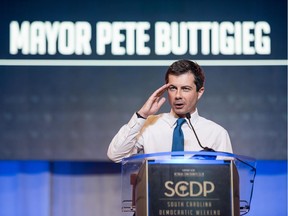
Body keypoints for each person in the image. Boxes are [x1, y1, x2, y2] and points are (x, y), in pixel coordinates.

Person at [107, 59, 233, 163]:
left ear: (199, 92)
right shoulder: (149, 125)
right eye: (172, 88)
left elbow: (227, 182)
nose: (178, 95)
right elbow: (116, 155)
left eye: (185, 89)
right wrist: (142, 115)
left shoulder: (216, 133)